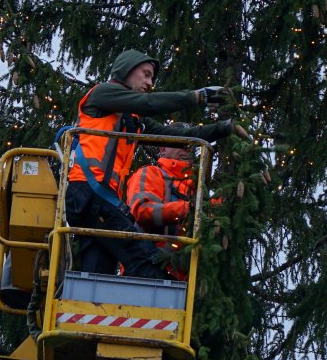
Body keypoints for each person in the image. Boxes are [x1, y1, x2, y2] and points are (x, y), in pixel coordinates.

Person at [64, 49, 235, 279]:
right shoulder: (102, 95)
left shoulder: (131, 119)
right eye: (145, 74)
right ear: (125, 71)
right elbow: (149, 103)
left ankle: (89, 311)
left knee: (97, 271)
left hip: (95, 200)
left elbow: (177, 135)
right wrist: (197, 96)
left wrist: (224, 128)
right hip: (90, 195)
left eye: (151, 77)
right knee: (144, 258)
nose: (149, 82)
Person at [125, 144, 196, 280]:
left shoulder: (196, 187)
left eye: (190, 147)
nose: (187, 149)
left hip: (185, 275)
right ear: (163, 149)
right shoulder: (151, 173)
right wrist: (188, 209)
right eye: (182, 144)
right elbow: (142, 211)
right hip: (148, 266)